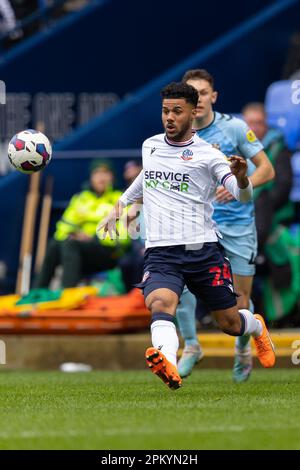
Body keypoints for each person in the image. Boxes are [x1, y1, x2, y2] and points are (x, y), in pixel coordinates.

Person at [98, 82, 275, 390]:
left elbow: (243, 196)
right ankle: (167, 360)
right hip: (161, 251)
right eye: (165, 111)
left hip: (203, 251)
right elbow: (146, 177)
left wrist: (243, 176)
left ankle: (256, 325)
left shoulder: (209, 155)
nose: (169, 117)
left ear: (193, 113)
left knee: (230, 324)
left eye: (177, 111)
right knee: (160, 302)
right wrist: (121, 205)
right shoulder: (150, 146)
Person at [175, 69, 275, 382]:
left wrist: (239, 184)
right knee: (179, 287)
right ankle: (191, 346)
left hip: (237, 227)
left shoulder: (233, 129)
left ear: (213, 96)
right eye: (192, 93)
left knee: (239, 299)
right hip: (196, 225)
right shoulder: (178, 133)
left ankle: (243, 350)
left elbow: (267, 170)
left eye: (203, 93)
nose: (199, 98)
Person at [35, 160, 130, 289]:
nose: (101, 178)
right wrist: (72, 234)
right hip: (79, 250)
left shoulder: (121, 199)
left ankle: (68, 294)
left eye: (105, 173)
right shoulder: (80, 199)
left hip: (108, 252)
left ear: (112, 176)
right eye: (97, 173)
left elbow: (124, 237)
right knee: (54, 245)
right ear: (91, 177)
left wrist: (93, 238)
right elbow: (62, 229)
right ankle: (36, 292)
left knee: (71, 245)